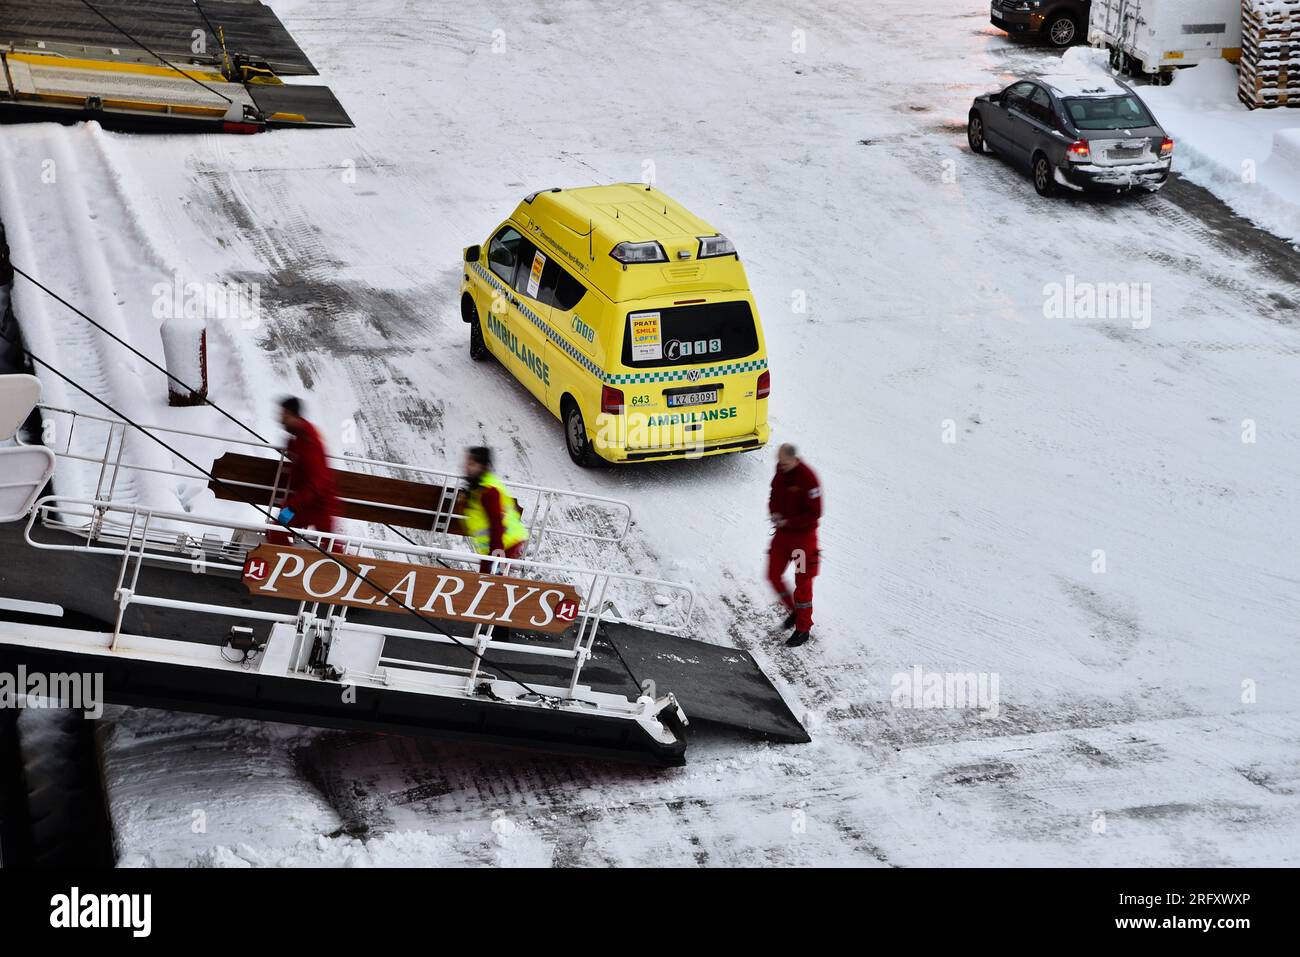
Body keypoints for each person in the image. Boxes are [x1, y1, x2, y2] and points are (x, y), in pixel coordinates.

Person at [767, 442, 821, 647]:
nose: (781, 466)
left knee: (803, 583)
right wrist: (774, 512)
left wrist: (789, 522)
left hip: (802, 540)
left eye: (785, 463)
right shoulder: (780, 471)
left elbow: (815, 513)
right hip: (783, 536)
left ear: (794, 460)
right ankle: (794, 611)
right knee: (773, 574)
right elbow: (773, 494)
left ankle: (803, 628)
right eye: (779, 462)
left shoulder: (808, 478)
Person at [270, 396, 341, 546]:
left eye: (283, 415)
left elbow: (317, 481)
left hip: (318, 504)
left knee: (277, 531)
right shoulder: (301, 436)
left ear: (291, 414)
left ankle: (283, 563)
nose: (280, 419)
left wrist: (292, 507)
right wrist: (290, 448)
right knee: (331, 546)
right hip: (314, 502)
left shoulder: (308, 441)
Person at [463, 446, 529, 570]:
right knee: (486, 584)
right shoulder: (480, 487)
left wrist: (496, 556)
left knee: (488, 584)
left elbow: (497, 523)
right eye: (467, 463)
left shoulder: (488, 491)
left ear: (482, 467)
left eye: (471, 464)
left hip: (504, 546)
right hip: (501, 546)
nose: (466, 467)